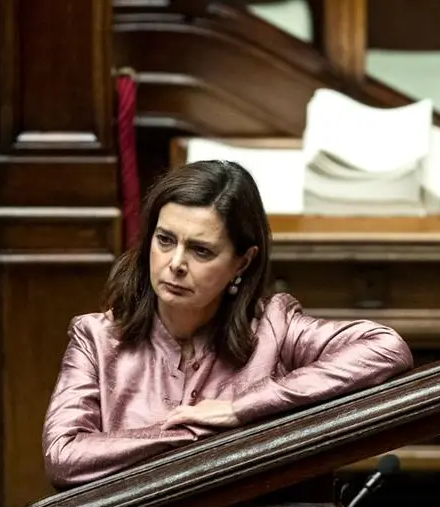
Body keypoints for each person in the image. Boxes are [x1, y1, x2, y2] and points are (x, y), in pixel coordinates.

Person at [42, 159, 414, 490]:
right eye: (165, 240)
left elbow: (384, 347)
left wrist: (242, 408)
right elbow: (64, 455)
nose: (176, 263)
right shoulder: (96, 337)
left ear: (243, 262)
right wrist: (198, 435)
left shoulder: (273, 329)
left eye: (200, 250)